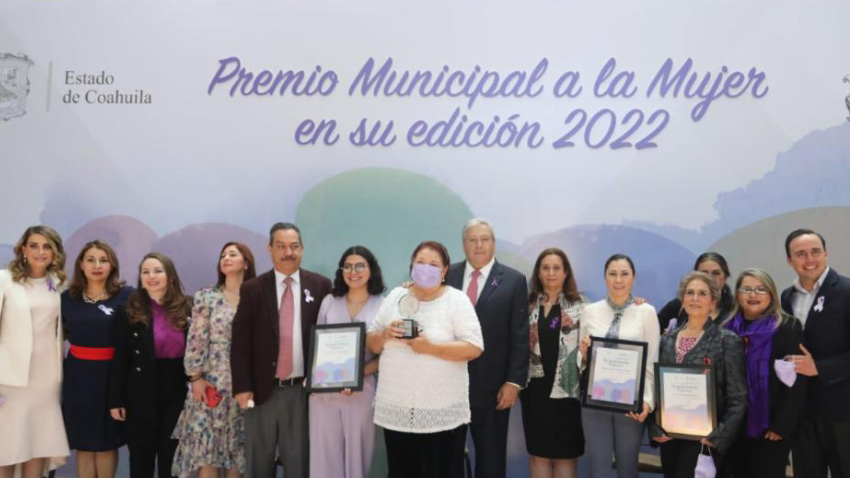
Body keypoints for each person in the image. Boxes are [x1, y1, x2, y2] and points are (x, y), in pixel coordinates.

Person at [367, 241, 484, 478]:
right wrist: (385, 334)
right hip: (397, 410)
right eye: (420, 262)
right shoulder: (396, 296)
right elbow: (371, 341)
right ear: (411, 265)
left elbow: (474, 347)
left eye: (433, 264)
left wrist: (429, 347)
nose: (425, 268)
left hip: (442, 413)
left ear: (444, 271)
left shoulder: (456, 300)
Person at [230, 222, 331, 478]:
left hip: (302, 392)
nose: (288, 252)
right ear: (270, 249)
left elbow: (332, 333)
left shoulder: (320, 286)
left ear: (303, 249)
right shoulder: (253, 288)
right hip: (262, 391)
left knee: (299, 465)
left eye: (294, 246)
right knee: (259, 463)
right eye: (282, 246)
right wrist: (242, 386)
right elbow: (240, 342)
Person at [446, 218, 528, 478]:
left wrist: (513, 382)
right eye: (472, 240)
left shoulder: (513, 280)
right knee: (447, 459)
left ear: (493, 243)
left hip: (493, 388)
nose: (478, 245)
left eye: (485, 239)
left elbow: (519, 334)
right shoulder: (447, 275)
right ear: (463, 245)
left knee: (491, 460)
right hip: (447, 386)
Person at [171, 242, 257, 478]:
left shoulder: (258, 296)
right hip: (211, 383)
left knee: (237, 453)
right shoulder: (207, 296)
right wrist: (196, 377)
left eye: (233, 254)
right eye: (222, 255)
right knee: (207, 452)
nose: (226, 258)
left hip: (244, 385)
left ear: (246, 263)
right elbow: (196, 339)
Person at [651, 271, 747, 478]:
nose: (695, 299)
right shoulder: (666, 341)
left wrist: (718, 436)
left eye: (702, 294)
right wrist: (655, 427)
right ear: (682, 300)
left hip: (705, 439)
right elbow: (655, 389)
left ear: (713, 301)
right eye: (690, 293)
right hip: (670, 435)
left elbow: (738, 398)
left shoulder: (726, 341)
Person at [108, 252, 193, 478]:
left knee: (171, 457)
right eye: (145, 272)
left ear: (171, 276)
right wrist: (116, 399)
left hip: (177, 390)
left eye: (157, 271)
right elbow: (120, 359)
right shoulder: (128, 310)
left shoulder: (189, 307)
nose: (151, 276)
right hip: (140, 389)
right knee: (141, 458)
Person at [578, 254, 659, 478]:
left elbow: (652, 360)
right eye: (612, 274)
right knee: (599, 469)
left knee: (627, 467)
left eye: (624, 274)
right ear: (605, 277)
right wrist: (584, 356)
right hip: (595, 400)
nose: (618, 279)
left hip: (630, 403)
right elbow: (581, 358)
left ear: (633, 278)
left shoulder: (646, 312)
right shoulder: (590, 311)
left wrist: (648, 401)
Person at [0, 225, 70, 478]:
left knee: (39, 442)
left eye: (47, 246)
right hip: (10, 378)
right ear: (22, 249)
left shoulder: (59, 283)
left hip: (46, 377)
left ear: (55, 252)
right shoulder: (4, 279)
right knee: (6, 446)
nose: (40, 252)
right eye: (34, 245)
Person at [310, 246, 385, 478]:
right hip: (324, 393)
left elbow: (388, 355)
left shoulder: (384, 304)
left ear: (371, 270)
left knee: (357, 459)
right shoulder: (329, 301)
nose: (354, 271)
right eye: (348, 266)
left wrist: (357, 375)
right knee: (324, 458)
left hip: (362, 392)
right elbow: (317, 347)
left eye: (360, 265)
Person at [780, 229, 850, 478]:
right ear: (790, 260)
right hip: (803, 411)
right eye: (800, 254)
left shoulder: (846, 290)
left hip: (842, 411)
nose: (810, 259)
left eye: (815, 252)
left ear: (826, 253)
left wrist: (820, 368)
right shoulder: (787, 297)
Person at [723, 268, 806, 478]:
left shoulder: (787, 326)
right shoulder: (725, 328)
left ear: (771, 294)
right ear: (738, 294)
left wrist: (781, 426)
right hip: (733, 426)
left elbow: (797, 382)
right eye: (747, 289)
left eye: (761, 289)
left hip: (770, 428)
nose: (753, 295)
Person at [62, 240, 133, 478]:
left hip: (111, 375)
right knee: (83, 442)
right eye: (91, 259)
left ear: (112, 265)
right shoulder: (67, 298)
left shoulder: (126, 296)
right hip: (77, 376)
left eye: (103, 260)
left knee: (106, 442)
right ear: (81, 265)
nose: (97, 265)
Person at [520, 248, 585, 478]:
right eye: (545, 268)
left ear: (566, 272)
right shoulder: (526, 305)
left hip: (567, 392)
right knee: (538, 453)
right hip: (534, 391)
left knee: (565, 455)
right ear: (538, 272)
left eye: (556, 268)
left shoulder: (581, 306)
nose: (551, 273)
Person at [657, 252, 735, 333]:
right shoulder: (679, 305)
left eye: (716, 273)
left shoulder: (735, 310)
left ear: (725, 278)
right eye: (704, 273)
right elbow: (650, 332)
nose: (710, 278)